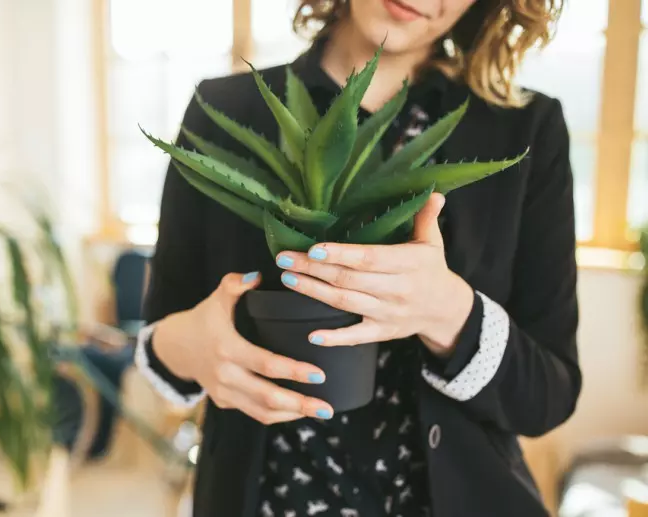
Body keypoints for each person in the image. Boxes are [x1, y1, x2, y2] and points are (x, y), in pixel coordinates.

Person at [135, 0, 580, 515]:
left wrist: (450, 313)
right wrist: (193, 347)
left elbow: (550, 395)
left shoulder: (524, 128)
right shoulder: (227, 108)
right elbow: (158, 338)